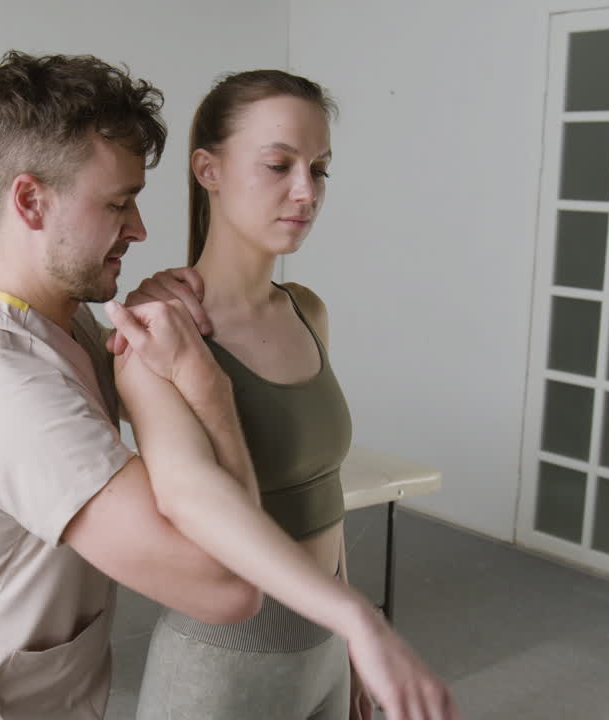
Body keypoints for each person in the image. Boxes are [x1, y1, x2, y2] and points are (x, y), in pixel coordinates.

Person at [0, 50, 455, 720]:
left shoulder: (84, 331)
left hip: (69, 694)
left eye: (319, 169)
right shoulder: (0, 380)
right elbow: (223, 584)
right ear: (31, 201)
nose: (140, 228)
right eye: (118, 203)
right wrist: (205, 384)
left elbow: (309, 494)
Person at [128, 70, 376, 720]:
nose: (306, 191)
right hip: (221, 666)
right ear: (207, 170)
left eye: (319, 169)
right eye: (278, 164)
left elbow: (327, 494)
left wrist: (349, 635)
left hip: (323, 648)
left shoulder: (308, 312)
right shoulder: (156, 336)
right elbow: (187, 500)